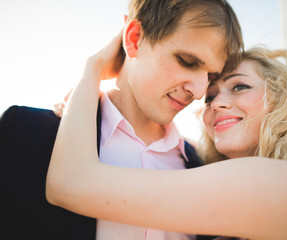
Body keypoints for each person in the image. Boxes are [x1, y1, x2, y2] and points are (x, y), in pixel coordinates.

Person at [47, 44, 287, 240]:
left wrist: (91, 73)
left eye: (239, 87)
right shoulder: (228, 180)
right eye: (210, 96)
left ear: (276, 100)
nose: (217, 103)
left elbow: (71, 182)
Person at [0, 0, 244, 239]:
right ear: (134, 37)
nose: (200, 92)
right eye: (187, 61)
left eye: (211, 75)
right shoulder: (22, 134)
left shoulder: (202, 168)